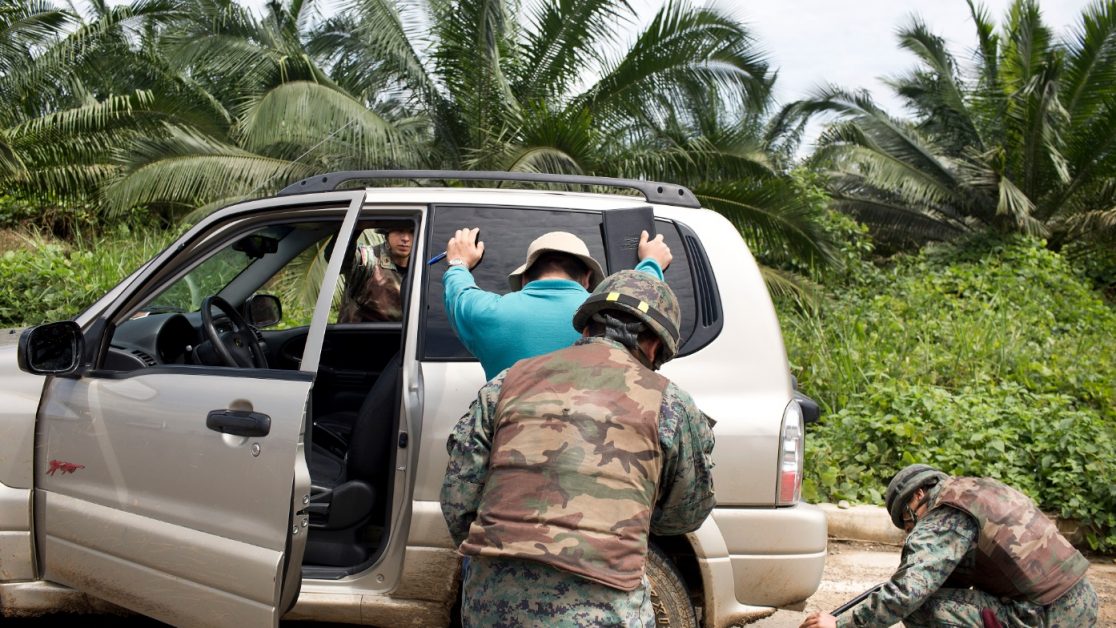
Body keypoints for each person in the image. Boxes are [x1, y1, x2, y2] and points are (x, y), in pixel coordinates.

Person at [440, 270, 716, 626]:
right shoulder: (670, 403)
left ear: (586, 327)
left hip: (490, 604)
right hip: (601, 610)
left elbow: (458, 501)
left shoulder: (507, 382)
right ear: (653, 345)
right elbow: (686, 514)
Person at [801, 464, 1098, 628]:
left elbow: (908, 593)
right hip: (1083, 602)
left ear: (918, 495)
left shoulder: (943, 515)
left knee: (920, 609)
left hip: (1047, 617)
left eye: (906, 521)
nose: (910, 531)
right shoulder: (980, 490)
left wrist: (840, 625)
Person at [442, 228, 672, 380]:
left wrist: (459, 262)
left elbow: (459, 292)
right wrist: (651, 263)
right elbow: (638, 301)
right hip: (596, 448)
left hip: (511, 445)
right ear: (587, 279)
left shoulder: (487, 313)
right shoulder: (608, 316)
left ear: (524, 279)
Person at [338, 223, 413, 322]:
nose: (406, 238)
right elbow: (338, 258)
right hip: (361, 335)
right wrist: (356, 227)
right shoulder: (368, 259)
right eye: (399, 230)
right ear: (387, 234)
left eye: (412, 232)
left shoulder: (423, 266)